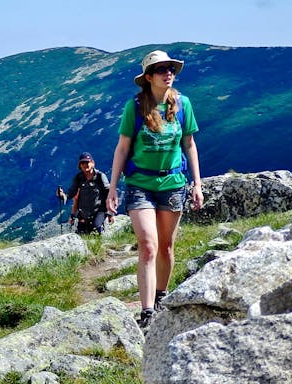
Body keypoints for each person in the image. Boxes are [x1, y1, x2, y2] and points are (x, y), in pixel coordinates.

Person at [106, 51, 204, 329]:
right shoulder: (134, 107)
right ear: (148, 77)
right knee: (148, 246)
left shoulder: (183, 104)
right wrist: (112, 188)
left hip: (173, 184)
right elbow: (123, 147)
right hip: (140, 184)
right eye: (160, 69)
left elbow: (189, 145)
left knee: (166, 245)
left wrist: (197, 184)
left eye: (170, 68)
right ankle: (147, 311)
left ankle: (161, 296)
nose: (167, 73)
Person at [56, 152, 114, 234]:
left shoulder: (100, 177)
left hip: (99, 211)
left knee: (96, 230)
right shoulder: (78, 178)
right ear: (79, 165)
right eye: (82, 163)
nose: (85, 165)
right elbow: (71, 193)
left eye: (87, 162)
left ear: (92, 163)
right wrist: (62, 195)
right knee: (82, 234)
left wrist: (110, 213)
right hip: (84, 214)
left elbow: (109, 193)